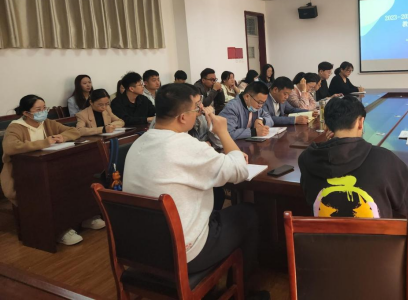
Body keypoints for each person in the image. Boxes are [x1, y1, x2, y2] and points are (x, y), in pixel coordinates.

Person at [122, 83, 262, 291]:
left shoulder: (139, 143)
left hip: (140, 249)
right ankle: (246, 292)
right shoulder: (186, 146)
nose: (200, 112)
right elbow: (239, 171)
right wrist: (223, 132)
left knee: (215, 209)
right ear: (182, 117)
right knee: (248, 214)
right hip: (183, 253)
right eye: (197, 107)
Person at [299, 96, 408, 219]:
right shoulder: (383, 159)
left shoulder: (307, 158)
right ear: (360, 122)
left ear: (327, 125)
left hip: (322, 241)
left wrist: (332, 146)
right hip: (376, 242)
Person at [1, 95, 104, 246]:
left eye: (44, 108)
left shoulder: (47, 123)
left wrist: (62, 137)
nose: (43, 112)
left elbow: (74, 131)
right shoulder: (16, 127)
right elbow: (10, 147)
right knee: (54, 189)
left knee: (78, 180)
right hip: (23, 174)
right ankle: (60, 230)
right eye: (38, 109)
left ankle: (84, 217)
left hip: (50, 168)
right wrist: (44, 142)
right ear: (26, 113)